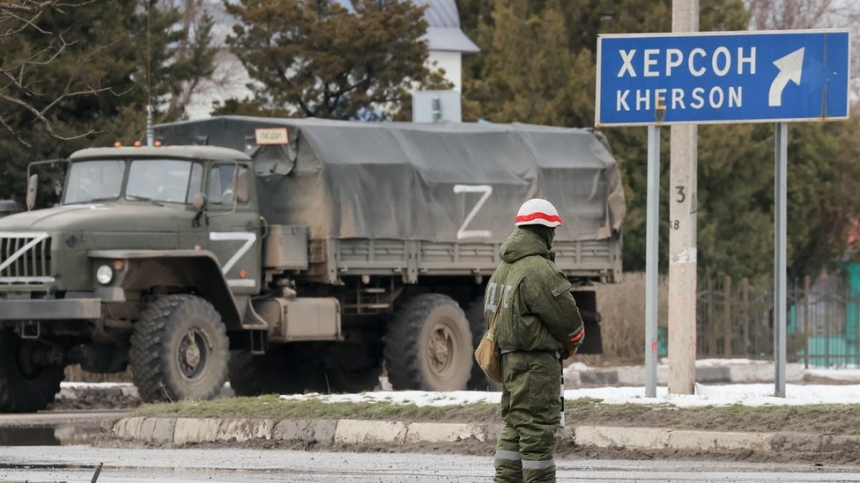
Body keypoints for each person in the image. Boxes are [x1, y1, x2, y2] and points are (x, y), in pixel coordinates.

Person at [485, 198, 585, 483]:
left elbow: (490, 319)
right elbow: (570, 322)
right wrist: (571, 342)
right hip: (536, 367)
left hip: (509, 362)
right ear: (544, 231)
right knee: (537, 430)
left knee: (515, 425)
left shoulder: (501, 270)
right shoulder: (539, 270)